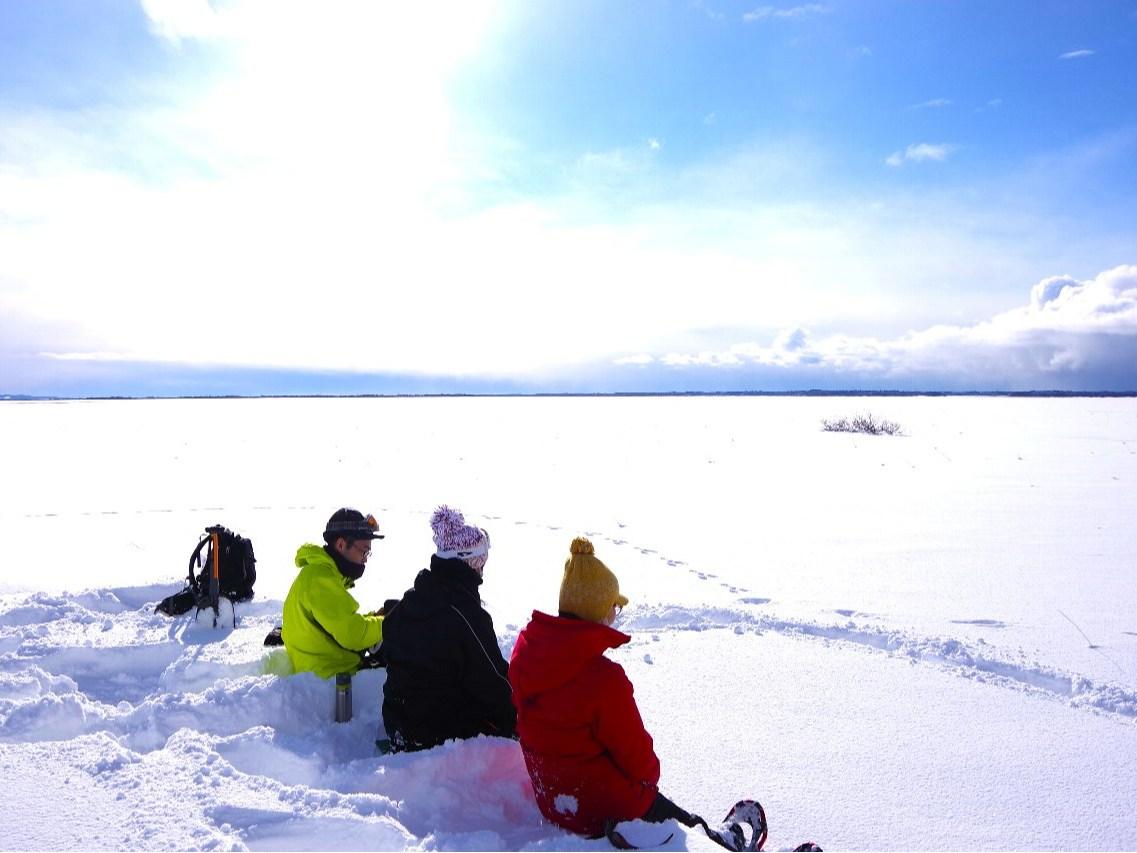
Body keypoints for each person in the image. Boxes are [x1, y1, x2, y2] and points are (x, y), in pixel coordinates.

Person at [509, 537, 714, 841]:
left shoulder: (526, 653)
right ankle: (712, 839)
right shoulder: (604, 679)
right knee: (674, 821)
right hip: (601, 810)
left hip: (553, 802)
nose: (616, 613)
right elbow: (641, 765)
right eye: (615, 606)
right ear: (601, 613)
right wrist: (649, 780)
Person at [380, 505, 516, 752]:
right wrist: (519, 718)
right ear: (469, 563)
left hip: (397, 723)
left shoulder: (411, 600)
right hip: (438, 733)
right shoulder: (466, 615)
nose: (482, 569)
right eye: (480, 560)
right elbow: (493, 682)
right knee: (498, 718)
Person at [281, 508, 386, 679]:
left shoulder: (321, 574)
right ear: (341, 544)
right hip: (329, 679)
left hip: (327, 670)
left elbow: (342, 623)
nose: (365, 559)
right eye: (363, 551)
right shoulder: (320, 580)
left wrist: (374, 617)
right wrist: (391, 621)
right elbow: (353, 636)